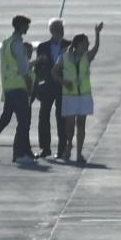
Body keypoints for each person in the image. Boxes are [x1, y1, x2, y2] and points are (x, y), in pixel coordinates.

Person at [0, 15, 35, 165]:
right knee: (24, 122)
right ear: (21, 26)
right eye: (27, 25)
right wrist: (29, 84)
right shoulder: (17, 43)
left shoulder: (6, 43)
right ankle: (19, 154)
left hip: (8, 88)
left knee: (4, 120)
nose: (28, 28)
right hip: (18, 88)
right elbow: (23, 67)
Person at [53, 25, 103, 164]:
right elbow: (54, 72)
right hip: (70, 95)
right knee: (69, 125)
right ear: (79, 44)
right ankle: (69, 144)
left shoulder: (87, 57)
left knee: (81, 124)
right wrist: (63, 82)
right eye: (86, 42)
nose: (88, 44)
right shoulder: (65, 57)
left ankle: (79, 153)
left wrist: (97, 33)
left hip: (84, 96)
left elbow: (96, 49)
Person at [34, 18, 70, 159]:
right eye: (56, 30)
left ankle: (62, 149)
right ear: (51, 31)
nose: (59, 32)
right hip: (48, 87)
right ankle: (45, 148)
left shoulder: (69, 45)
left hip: (63, 86)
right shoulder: (43, 47)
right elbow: (38, 69)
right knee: (43, 117)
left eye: (61, 29)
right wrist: (35, 87)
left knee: (62, 119)